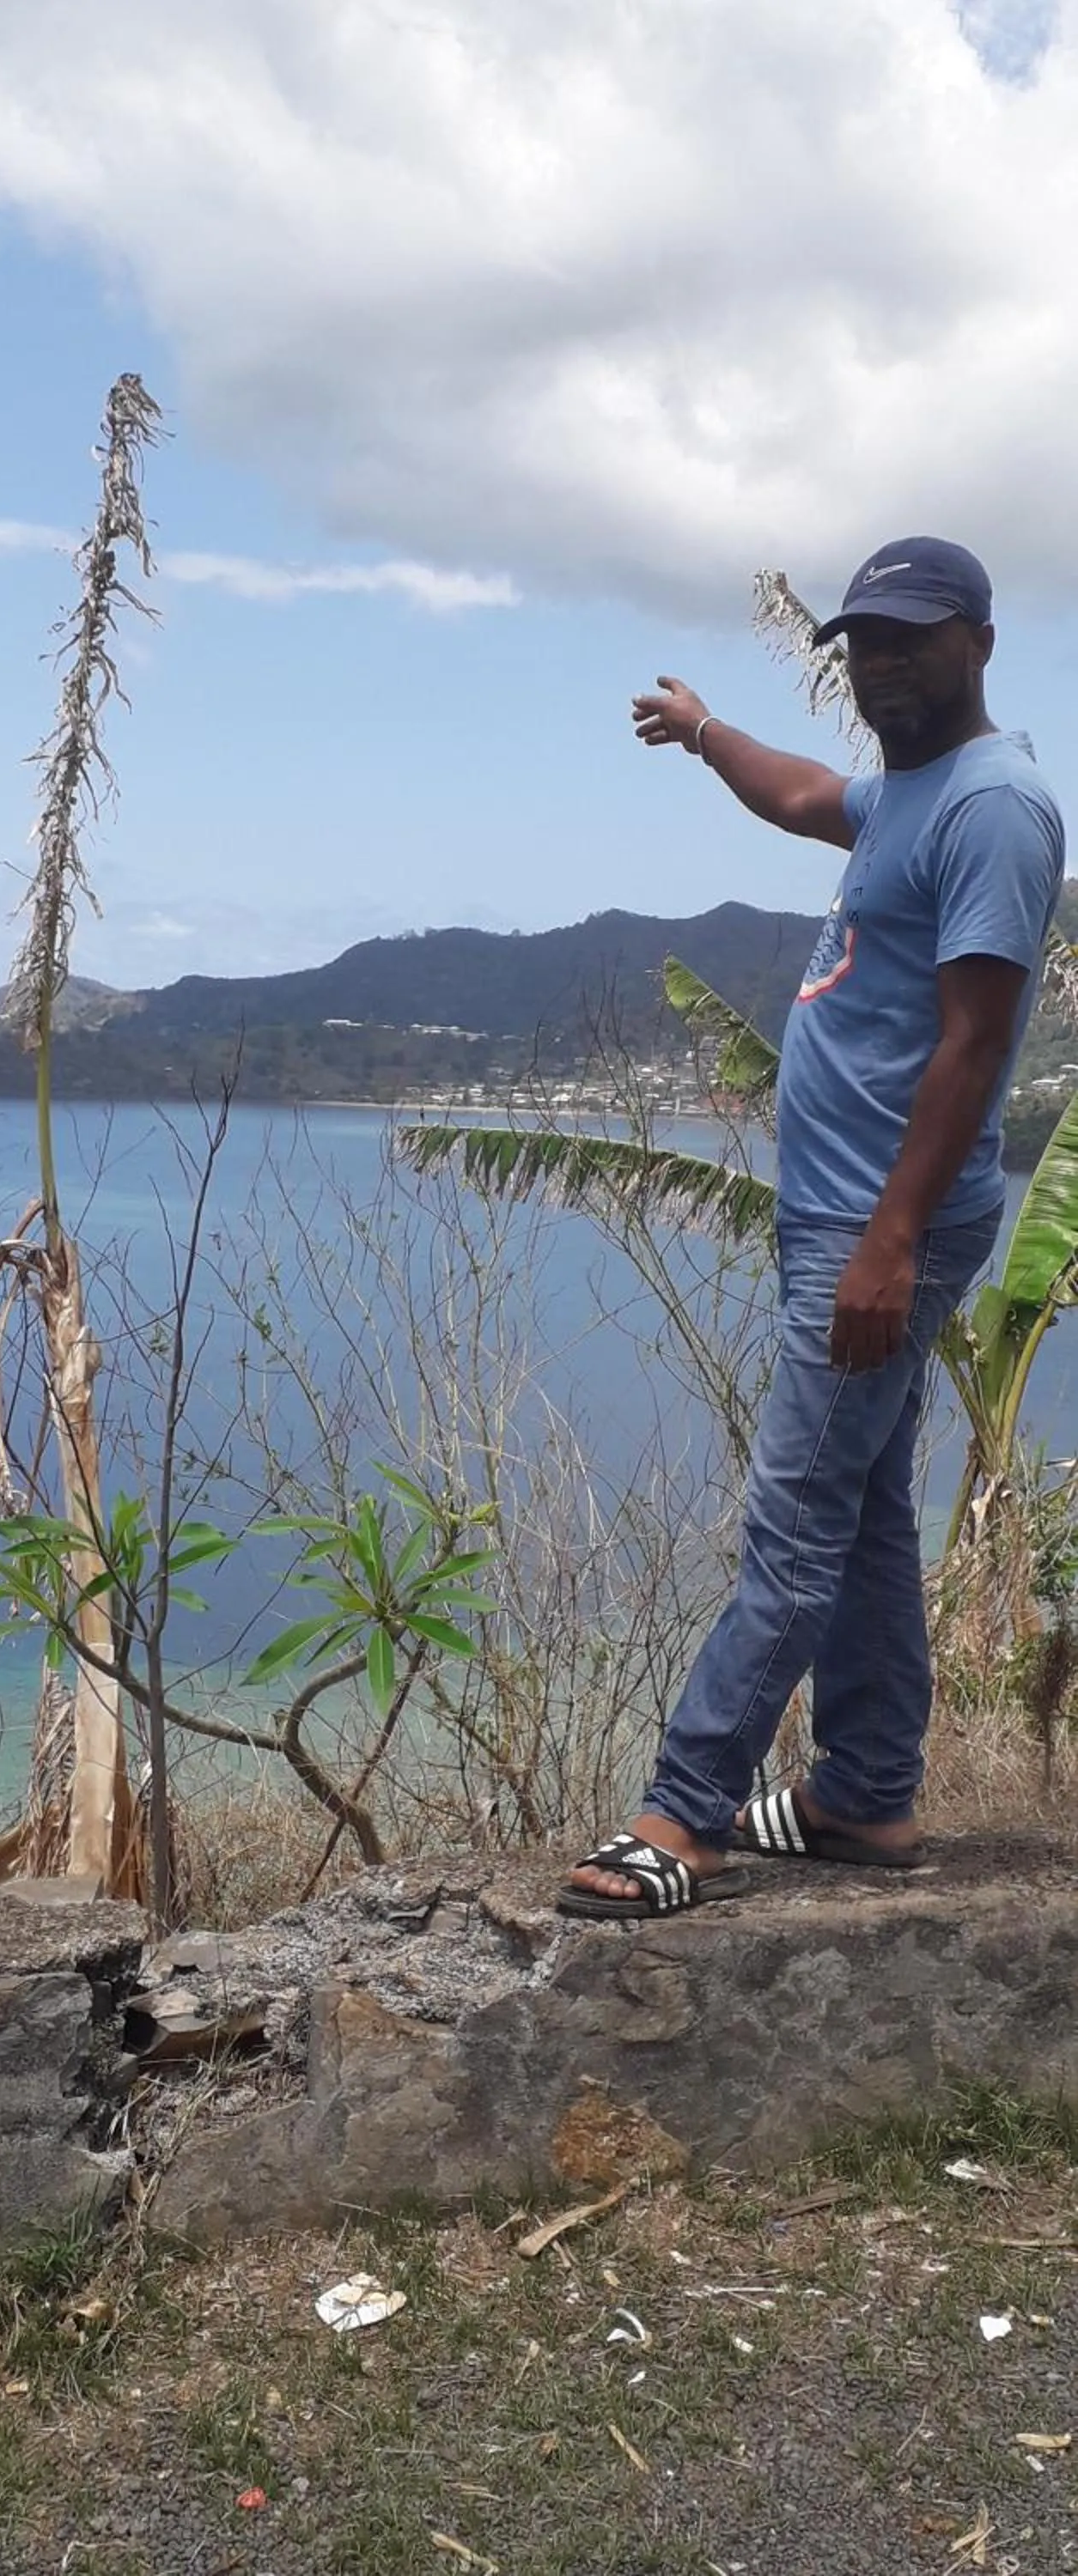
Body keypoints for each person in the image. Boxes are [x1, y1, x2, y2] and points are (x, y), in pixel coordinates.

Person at [562, 536, 1065, 1920]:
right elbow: (803, 797)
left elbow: (973, 1048)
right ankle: (866, 1794)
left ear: (979, 640)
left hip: (875, 1223)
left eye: (911, 635)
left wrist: (891, 1243)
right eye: (865, 641)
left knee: (791, 1521)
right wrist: (710, 732)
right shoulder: (910, 794)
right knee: (860, 1521)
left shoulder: (997, 808)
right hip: (841, 1218)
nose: (883, 662)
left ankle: (686, 1811)